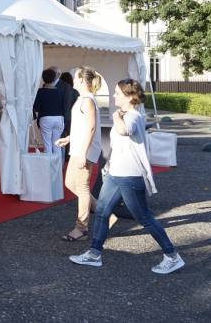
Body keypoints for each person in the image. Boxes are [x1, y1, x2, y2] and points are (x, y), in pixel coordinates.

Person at [70, 79, 185, 274]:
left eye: (117, 93)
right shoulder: (128, 114)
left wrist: (116, 116)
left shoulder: (132, 116)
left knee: (144, 218)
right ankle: (94, 254)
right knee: (102, 212)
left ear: (129, 96)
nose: (113, 96)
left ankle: (172, 256)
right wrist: (109, 166)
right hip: (116, 175)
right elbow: (121, 145)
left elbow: (125, 130)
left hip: (130, 177)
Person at [55, 67, 103, 242]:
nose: (73, 80)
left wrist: (83, 153)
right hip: (78, 148)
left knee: (82, 189)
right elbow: (82, 126)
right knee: (70, 183)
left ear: (83, 80)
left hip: (84, 150)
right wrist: (69, 138)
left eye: (76, 77)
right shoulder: (83, 99)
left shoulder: (88, 100)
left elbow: (91, 127)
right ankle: (101, 210)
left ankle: (81, 228)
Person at [32, 68, 65, 155]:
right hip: (59, 118)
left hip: (45, 118)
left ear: (43, 78)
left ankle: (48, 167)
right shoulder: (60, 92)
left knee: (48, 146)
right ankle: (58, 168)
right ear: (55, 78)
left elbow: (36, 107)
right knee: (57, 145)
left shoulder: (40, 92)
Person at [59, 71, 80, 146]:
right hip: (73, 118)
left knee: (60, 139)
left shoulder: (59, 91)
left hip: (61, 117)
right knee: (71, 138)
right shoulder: (75, 92)